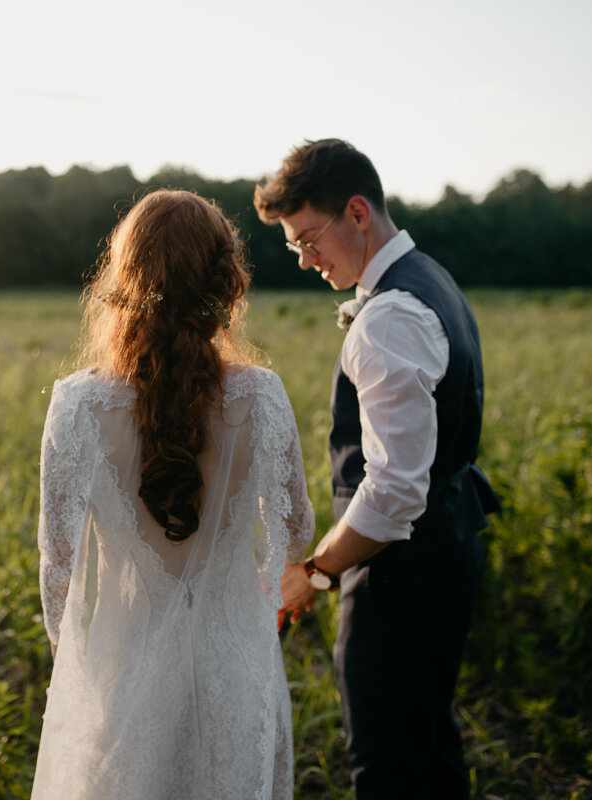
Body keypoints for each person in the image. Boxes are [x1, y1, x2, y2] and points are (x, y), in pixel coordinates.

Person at [30, 189, 315, 800]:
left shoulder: (78, 405)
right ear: (226, 286)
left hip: (125, 666)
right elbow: (296, 533)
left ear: (124, 280)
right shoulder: (262, 398)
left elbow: (58, 567)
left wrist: (80, 662)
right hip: (233, 665)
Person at [254, 139, 499, 799]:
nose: (304, 259)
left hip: (403, 575)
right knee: (428, 743)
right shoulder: (430, 277)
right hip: (444, 551)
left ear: (357, 213)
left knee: (389, 763)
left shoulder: (389, 315)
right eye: (293, 246)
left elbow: (391, 494)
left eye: (309, 238)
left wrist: (318, 573)